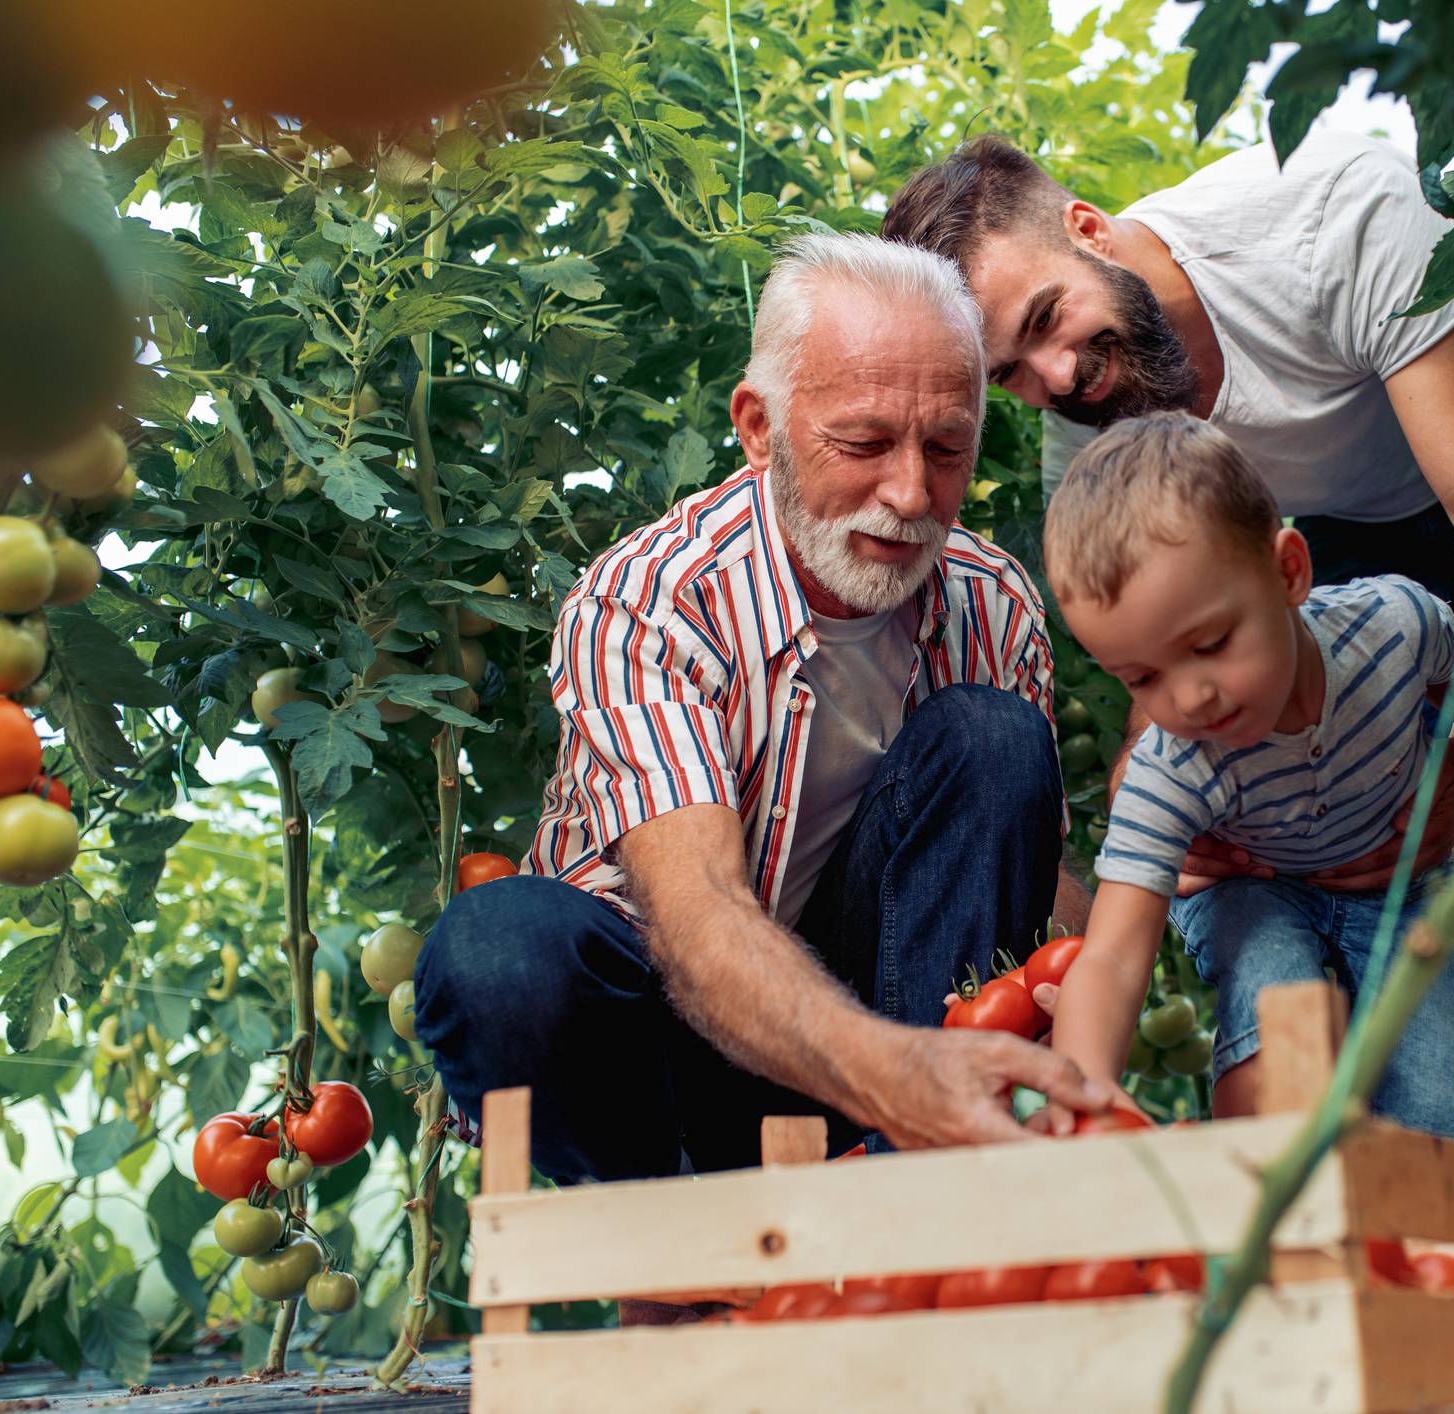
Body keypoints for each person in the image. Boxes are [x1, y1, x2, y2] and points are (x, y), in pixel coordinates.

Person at [883, 129, 1454, 1348]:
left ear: (1087, 226)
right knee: (1237, 826)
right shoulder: (1100, 415)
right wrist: (1156, 858)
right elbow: (1157, 667)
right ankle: (1354, 1255)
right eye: (1013, 376)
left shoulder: (1336, 216)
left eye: (1047, 322)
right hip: (1284, 548)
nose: (1059, 378)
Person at [414, 234, 1108, 1210]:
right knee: (496, 951)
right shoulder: (651, 599)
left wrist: (1145, 901)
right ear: (757, 425)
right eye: (863, 443)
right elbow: (697, 922)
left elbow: (1015, 892)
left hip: (888, 1048)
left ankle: (923, 1216)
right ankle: (668, 1254)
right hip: (666, 1057)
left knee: (995, 739)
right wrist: (903, 1072)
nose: (911, 493)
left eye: (947, 446)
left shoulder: (990, 601)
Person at [1038, 412, 1454, 1144]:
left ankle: (1444, 1247)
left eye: (1211, 644)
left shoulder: (1397, 625)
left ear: (1288, 572)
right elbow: (1116, 956)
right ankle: (1269, 1209)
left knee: (1441, 1098)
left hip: (1394, 886)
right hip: (1250, 889)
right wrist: (1081, 1090)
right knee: (1276, 999)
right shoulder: (1171, 770)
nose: (1189, 698)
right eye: (1142, 677)